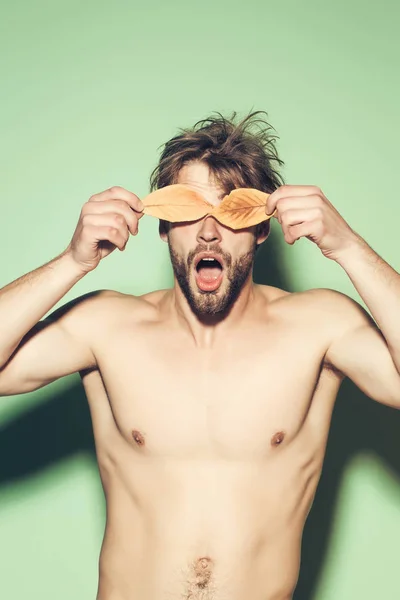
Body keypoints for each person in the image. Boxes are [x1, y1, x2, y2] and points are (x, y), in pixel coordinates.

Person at [0, 110, 399, 600]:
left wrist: (349, 248)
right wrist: (73, 261)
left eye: (233, 213)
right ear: (164, 229)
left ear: (261, 231)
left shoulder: (319, 329)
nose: (208, 232)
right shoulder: (107, 327)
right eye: (188, 213)